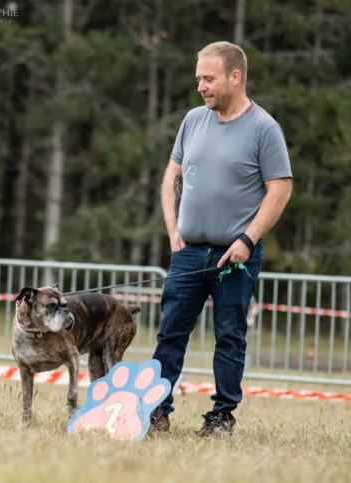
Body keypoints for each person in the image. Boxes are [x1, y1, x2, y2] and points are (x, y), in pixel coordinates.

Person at [149, 41, 293, 437]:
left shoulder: (264, 128)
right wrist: (173, 229)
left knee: (230, 336)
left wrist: (248, 239)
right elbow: (172, 175)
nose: (200, 86)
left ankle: (221, 417)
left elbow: (280, 188)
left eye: (208, 79)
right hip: (188, 253)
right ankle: (155, 411)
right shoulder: (193, 120)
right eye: (198, 78)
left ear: (235, 77)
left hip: (236, 256)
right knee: (170, 334)